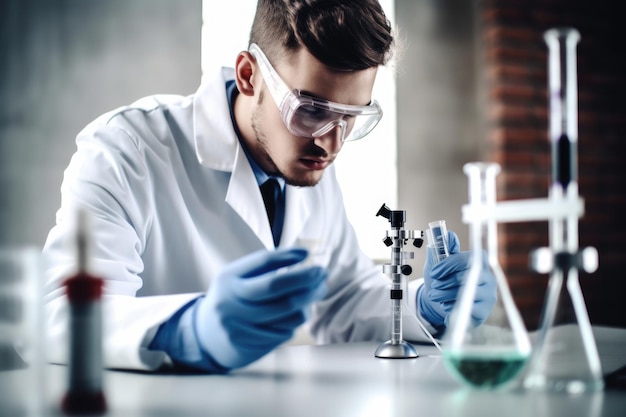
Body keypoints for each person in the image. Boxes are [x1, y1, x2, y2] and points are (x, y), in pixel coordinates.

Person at [43, 0, 496, 373]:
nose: (331, 143)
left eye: (351, 118)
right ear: (248, 76)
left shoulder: (313, 158)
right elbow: (60, 314)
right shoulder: (127, 148)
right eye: (312, 109)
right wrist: (187, 329)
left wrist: (425, 306)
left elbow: (343, 301)